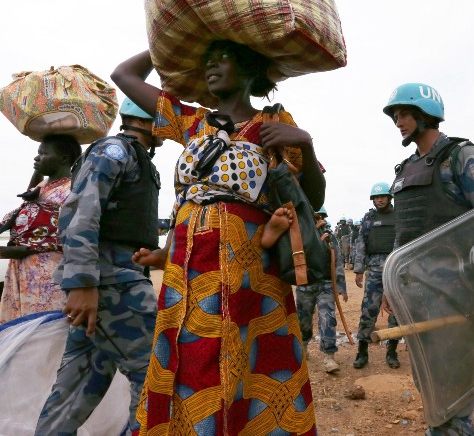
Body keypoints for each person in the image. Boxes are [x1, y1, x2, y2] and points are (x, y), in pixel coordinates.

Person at [112, 42, 325, 435]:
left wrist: (305, 142)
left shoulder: (273, 123)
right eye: (205, 60)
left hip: (251, 266)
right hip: (187, 266)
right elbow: (123, 76)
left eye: (221, 59)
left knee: (248, 359)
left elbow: (314, 197)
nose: (210, 66)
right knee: (190, 353)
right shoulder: (193, 122)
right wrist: (172, 36)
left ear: (247, 69)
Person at [34, 99, 163, 436]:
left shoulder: (137, 158)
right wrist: (82, 283)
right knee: (154, 374)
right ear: (148, 119)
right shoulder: (114, 151)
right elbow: (81, 213)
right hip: (111, 283)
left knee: (80, 381)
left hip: (111, 280)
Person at [381, 82, 474, 436]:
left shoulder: (462, 156)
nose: (398, 121)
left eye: (403, 114)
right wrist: (392, 286)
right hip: (417, 293)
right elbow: (404, 235)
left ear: (424, 114)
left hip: (458, 294)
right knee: (429, 383)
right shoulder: (403, 170)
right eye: (395, 116)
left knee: (455, 389)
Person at [0, 134, 81, 325]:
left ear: (64, 159)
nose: (37, 157)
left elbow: (61, 234)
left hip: (47, 269)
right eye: (38, 153)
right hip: (23, 268)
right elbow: (28, 204)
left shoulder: (71, 189)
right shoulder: (43, 186)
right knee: (22, 326)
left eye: (44, 153)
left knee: (42, 329)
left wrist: (16, 250)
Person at [352, 181, 400, 369]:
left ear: (389, 198)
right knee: (368, 312)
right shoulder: (369, 218)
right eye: (376, 197)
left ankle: (392, 351)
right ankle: (362, 351)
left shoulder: (399, 217)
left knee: (396, 313)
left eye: (383, 197)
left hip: (394, 271)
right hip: (373, 271)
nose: (379, 200)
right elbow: (361, 243)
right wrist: (358, 270)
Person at [296, 206, 348, 374]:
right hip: (306, 285)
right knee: (303, 320)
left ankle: (329, 356)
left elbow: (337, 261)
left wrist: (341, 287)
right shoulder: (300, 235)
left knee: (327, 318)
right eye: (315, 217)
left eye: (322, 217)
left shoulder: (330, 237)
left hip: (325, 284)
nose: (319, 220)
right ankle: (303, 346)